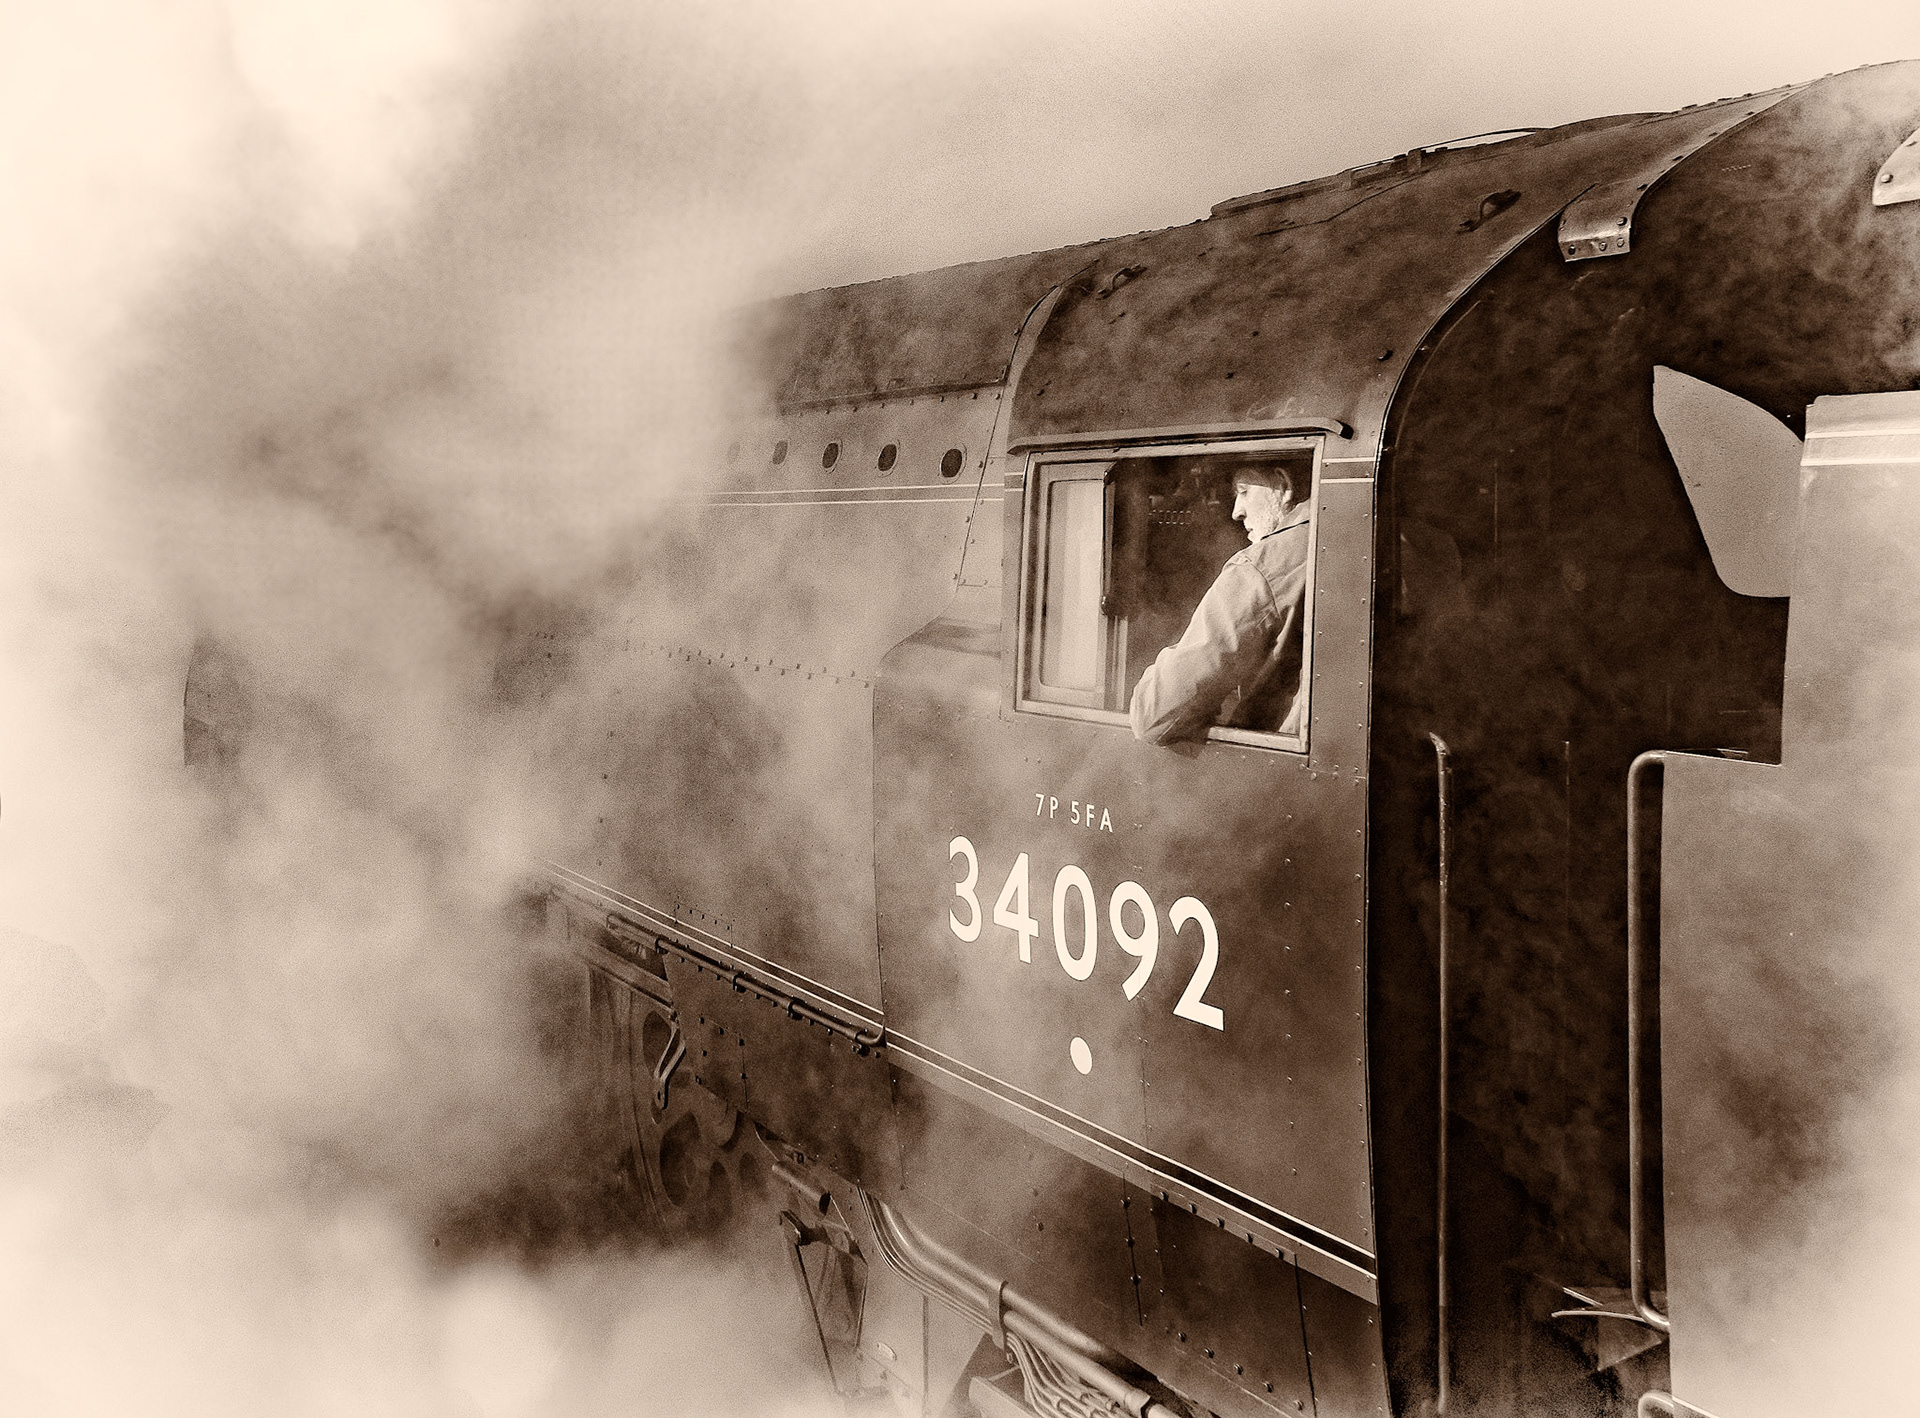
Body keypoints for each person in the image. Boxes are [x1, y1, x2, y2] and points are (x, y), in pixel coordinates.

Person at [1129, 462, 1310, 746]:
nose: (1236, 511)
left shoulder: (1258, 568)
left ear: (1282, 486)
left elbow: (1154, 717)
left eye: (1244, 491)